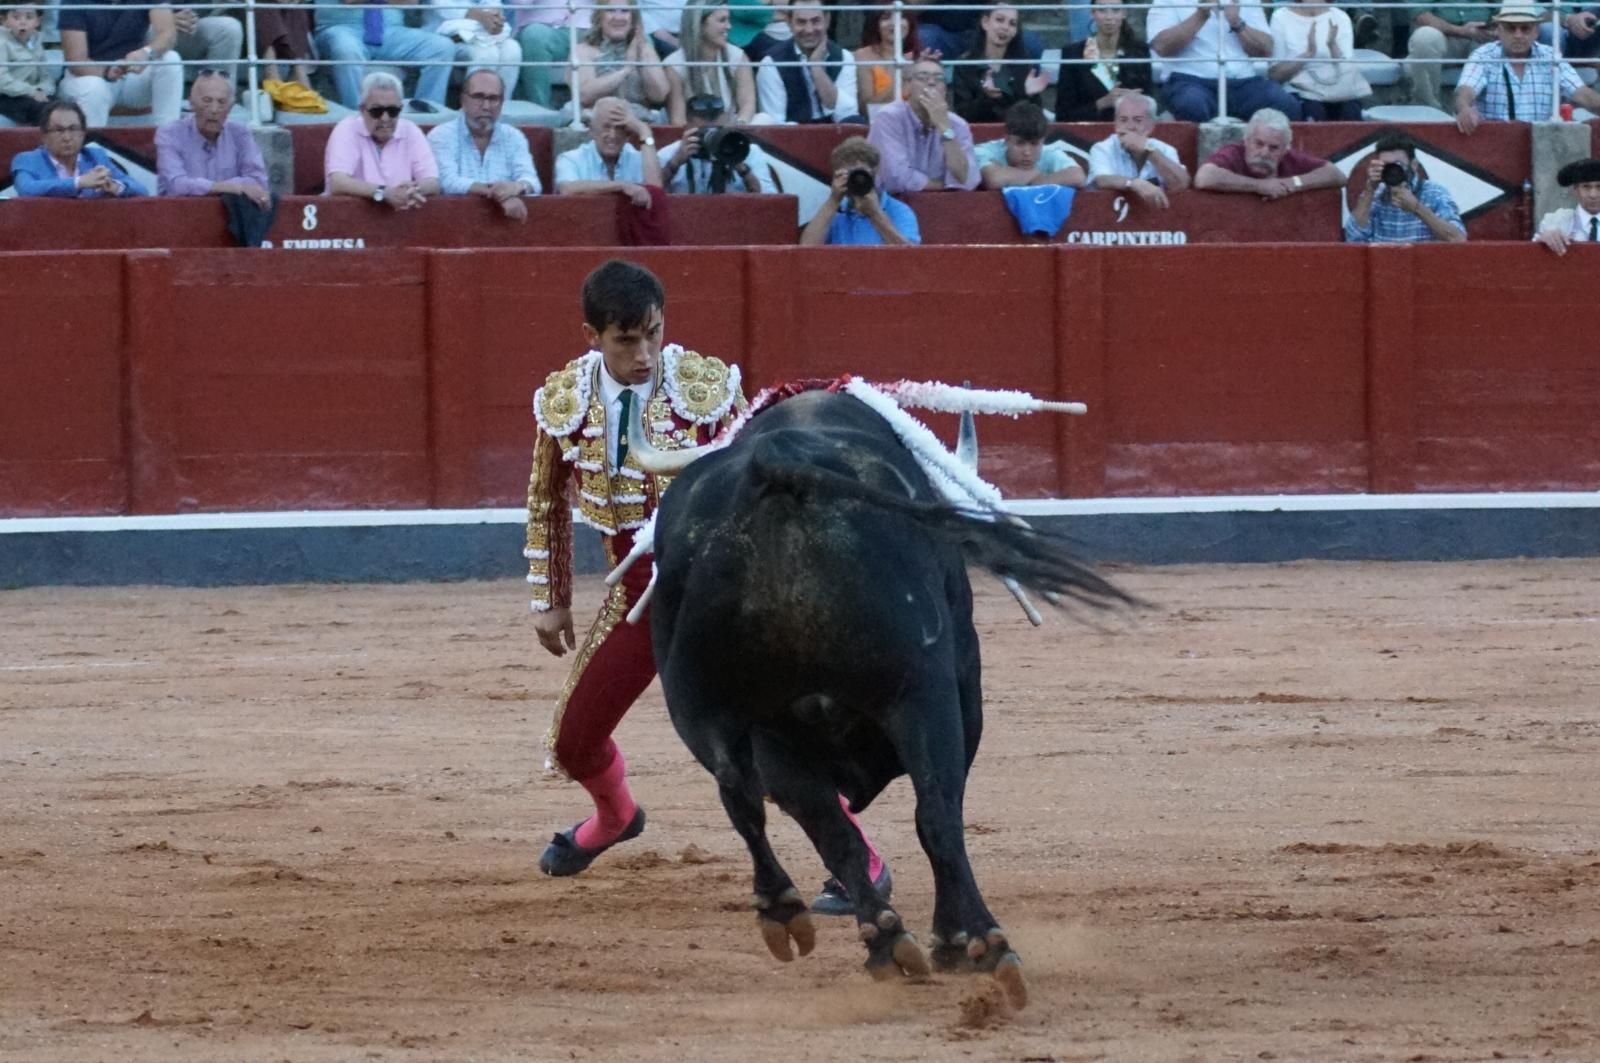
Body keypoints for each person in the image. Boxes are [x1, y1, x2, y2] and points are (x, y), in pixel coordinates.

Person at [1146, 0, 1304, 122]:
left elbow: (1266, 49)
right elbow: (1162, 47)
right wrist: (1201, 14)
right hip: (1189, 79)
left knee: (1285, 104)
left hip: (1243, 82)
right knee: (1192, 105)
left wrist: (1237, 23)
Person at [1455, 2, 1600, 133]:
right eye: (1511, 28)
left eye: (1525, 28)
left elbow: (1581, 93)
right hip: (1495, 140)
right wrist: (1464, 108)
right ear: (1499, 30)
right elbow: (1466, 89)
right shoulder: (1483, 55)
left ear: (1536, 31)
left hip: (1540, 141)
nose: (1518, 35)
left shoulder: (1549, 55)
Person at [426, 69, 540, 221]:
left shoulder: (514, 137)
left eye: (493, 98)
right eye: (478, 97)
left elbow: (533, 182)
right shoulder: (441, 135)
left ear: (502, 103)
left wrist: (516, 187)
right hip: (451, 223)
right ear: (463, 99)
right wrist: (499, 194)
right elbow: (447, 182)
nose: (486, 106)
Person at [312, 0, 456, 111]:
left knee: (442, 47)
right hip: (342, 29)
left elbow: (411, 2)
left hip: (390, 31)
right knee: (346, 49)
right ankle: (356, 116)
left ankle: (427, 112)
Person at [57, 0, 182, 127]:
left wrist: (146, 52)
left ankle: (169, 137)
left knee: (171, 59)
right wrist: (107, 71)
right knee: (94, 88)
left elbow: (168, 34)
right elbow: (76, 61)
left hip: (132, 73)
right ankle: (92, 145)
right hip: (89, 75)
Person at [324, 72, 441, 207]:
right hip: (348, 218)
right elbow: (338, 183)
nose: (385, 118)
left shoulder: (410, 130)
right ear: (362, 110)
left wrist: (413, 190)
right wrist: (383, 192)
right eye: (376, 111)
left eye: (392, 111)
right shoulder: (347, 128)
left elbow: (433, 183)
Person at [154, 69, 269, 204]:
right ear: (191, 104)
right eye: (207, 101)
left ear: (231, 107)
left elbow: (258, 180)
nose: (214, 109)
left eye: (221, 102)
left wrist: (208, 188)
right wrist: (234, 187)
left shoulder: (240, 133)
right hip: (181, 216)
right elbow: (176, 185)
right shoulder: (170, 134)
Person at [867, 57, 979, 193]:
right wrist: (945, 186)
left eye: (938, 78)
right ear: (906, 87)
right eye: (922, 77)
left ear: (944, 90)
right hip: (894, 202)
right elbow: (895, 178)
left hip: (945, 205)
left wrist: (944, 127)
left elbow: (966, 179)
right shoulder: (888, 117)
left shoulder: (958, 124)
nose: (931, 82)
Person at [1193, 107, 1344, 198]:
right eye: (1259, 144)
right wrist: (1260, 186)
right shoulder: (1234, 153)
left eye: (1273, 148)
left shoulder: (1289, 158)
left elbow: (1336, 175)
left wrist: (1293, 183)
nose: (1264, 153)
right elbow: (1204, 177)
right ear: (1246, 140)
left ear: (1285, 149)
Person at [1343, 131, 1466, 243]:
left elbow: (1458, 239)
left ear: (1413, 165)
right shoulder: (1375, 195)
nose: (1392, 170)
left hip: (1424, 264)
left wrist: (1417, 209)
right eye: (1386, 165)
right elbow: (1353, 238)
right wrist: (1370, 190)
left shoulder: (1434, 193)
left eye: (1398, 165)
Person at [755, 0, 861, 124]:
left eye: (815, 21)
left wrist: (817, 68)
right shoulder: (771, 63)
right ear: (789, 23)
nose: (809, 30)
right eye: (801, 22)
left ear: (827, 20)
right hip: (791, 136)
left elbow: (846, 114)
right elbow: (776, 123)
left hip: (836, 135)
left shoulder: (844, 57)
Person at [799, 135, 918, 244]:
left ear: (874, 172)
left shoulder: (898, 210)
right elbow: (807, 247)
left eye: (860, 173)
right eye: (849, 173)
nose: (856, 180)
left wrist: (875, 214)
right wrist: (833, 200)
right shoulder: (836, 211)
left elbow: (909, 256)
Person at [11, 99, 146, 196]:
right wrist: (79, 182)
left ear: (83, 133)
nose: (67, 137)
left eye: (73, 129)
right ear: (44, 135)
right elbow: (27, 189)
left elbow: (141, 191)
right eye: (59, 130)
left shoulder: (96, 156)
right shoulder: (27, 160)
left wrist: (114, 186)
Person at [1268, 0, 1369, 121]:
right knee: (1313, 111)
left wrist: (1332, 45)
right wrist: (1308, 54)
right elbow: (1275, 75)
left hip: (1335, 87)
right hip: (1300, 88)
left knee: (1350, 110)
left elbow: (1347, 69)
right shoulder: (1280, 17)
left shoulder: (1340, 17)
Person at [1054, 0, 1153, 123]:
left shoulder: (1139, 51)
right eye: (1102, 10)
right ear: (1092, 13)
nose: (1109, 17)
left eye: (1116, 10)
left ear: (1124, 12)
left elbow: (1149, 104)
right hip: (1087, 131)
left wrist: (1133, 101)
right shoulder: (1073, 54)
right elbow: (1062, 114)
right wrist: (1101, 103)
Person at [1086, 91, 1189, 208]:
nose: (1130, 127)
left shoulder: (1165, 150)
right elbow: (1101, 179)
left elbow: (1181, 184)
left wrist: (1149, 152)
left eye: (1138, 120)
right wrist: (1134, 183)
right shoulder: (1102, 148)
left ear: (1151, 126)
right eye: (1123, 120)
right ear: (1115, 124)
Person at [572, 0, 671, 122]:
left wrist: (642, 52)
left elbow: (659, 95)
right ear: (599, 16)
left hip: (637, 123)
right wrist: (626, 69)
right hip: (595, 123)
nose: (618, 17)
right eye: (610, 10)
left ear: (633, 18)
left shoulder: (645, 49)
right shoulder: (583, 50)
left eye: (625, 11)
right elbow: (585, 95)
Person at [554, 94, 663, 202]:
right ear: (592, 130)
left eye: (620, 128)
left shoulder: (639, 159)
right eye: (606, 127)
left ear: (628, 134)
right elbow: (567, 189)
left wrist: (645, 132)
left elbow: (655, 191)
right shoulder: (572, 159)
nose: (613, 135)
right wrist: (621, 186)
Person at [657, 93, 775, 192]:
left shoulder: (749, 152)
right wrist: (674, 164)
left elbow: (768, 202)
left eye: (718, 130)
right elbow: (652, 196)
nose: (712, 137)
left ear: (728, 124)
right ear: (687, 127)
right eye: (704, 131)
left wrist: (740, 165)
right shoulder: (669, 154)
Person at [950, 3, 1045, 125]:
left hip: (1017, 136)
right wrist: (986, 98)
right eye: (1000, 20)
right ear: (985, 22)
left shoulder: (1024, 65)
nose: (1005, 27)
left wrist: (1031, 96)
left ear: (1015, 31)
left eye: (1012, 24)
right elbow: (963, 117)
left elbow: (1035, 118)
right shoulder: (964, 65)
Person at [665, 3, 756, 124]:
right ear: (700, 25)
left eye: (728, 20)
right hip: (691, 134)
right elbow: (677, 120)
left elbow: (748, 104)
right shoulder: (674, 66)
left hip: (732, 129)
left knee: (764, 118)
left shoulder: (737, 56)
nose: (729, 26)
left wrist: (739, 125)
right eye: (722, 20)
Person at [1404, 0, 1495, 112]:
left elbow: (1506, 10)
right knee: (1424, 38)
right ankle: (1427, 111)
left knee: (1511, 38)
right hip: (1444, 36)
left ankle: (1488, 113)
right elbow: (1420, 13)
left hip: (1484, 36)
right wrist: (1461, 31)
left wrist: (1495, 29)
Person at [975, 100, 1086, 190]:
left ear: (1043, 141)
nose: (1027, 152)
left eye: (1034, 144)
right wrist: (1035, 173)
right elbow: (994, 180)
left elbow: (1078, 177)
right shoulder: (985, 151)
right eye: (1020, 143)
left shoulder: (1049, 152)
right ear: (1007, 139)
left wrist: (1037, 180)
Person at [426, 0, 521, 96]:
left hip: (482, 31)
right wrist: (480, 17)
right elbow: (444, 7)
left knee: (512, 49)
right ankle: (475, 106)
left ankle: (500, 105)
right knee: (487, 53)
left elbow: (493, 4)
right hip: (449, 37)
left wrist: (494, 16)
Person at [510, 0, 586, 109]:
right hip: (534, 30)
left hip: (583, 26)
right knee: (534, 36)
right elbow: (522, 3)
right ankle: (540, 111)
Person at [248, 0, 321, 105]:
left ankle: (298, 70)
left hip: (277, 16)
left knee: (295, 7)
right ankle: (271, 73)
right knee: (264, 5)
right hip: (241, 11)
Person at [853, 4, 920, 114]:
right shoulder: (862, 56)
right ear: (876, 24)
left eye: (901, 17)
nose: (894, 23)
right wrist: (902, 77)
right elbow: (866, 109)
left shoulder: (919, 57)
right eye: (886, 18)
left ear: (910, 23)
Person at [0, 2, 53, 126]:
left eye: (29, 17)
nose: (22, 22)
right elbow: (2, 80)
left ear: (38, 21)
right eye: (16, 17)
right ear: (4, 20)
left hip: (31, 93)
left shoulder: (37, 41)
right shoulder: (1, 42)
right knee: (46, 111)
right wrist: (31, 91)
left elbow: (46, 76)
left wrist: (41, 90)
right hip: (6, 96)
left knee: (63, 107)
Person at [1534, 157, 1600, 256]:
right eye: (1586, 187)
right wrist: (1543, 239)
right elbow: (1531, 253)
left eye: (1599, 187)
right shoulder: (1556, 221)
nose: (1593, 195)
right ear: (1575, 190)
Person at [169, 6, 244, 87]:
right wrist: (162, 18)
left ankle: (217, 95)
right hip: (157, 28)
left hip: (194, 22)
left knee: (229, 28)